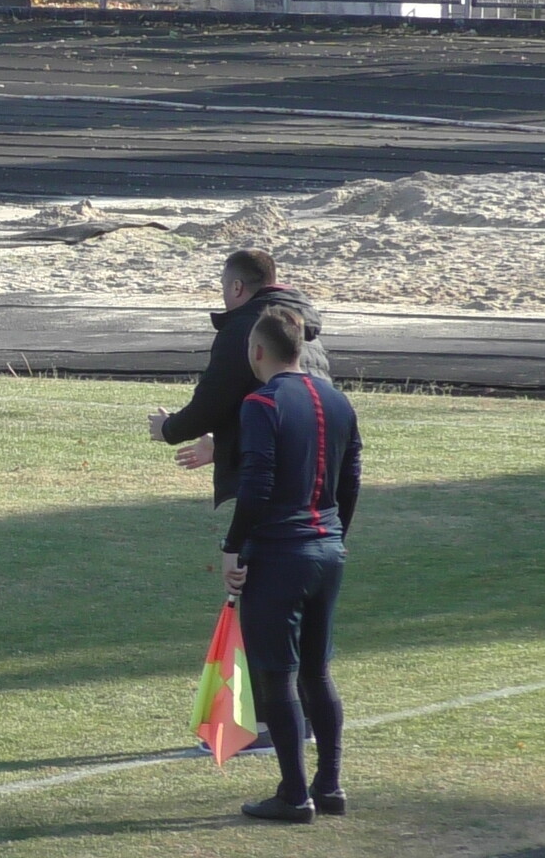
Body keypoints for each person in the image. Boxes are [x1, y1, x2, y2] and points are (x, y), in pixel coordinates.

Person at [223, 305, 360, 823]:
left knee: (276, 675)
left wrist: (233, 545)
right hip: (328, 550)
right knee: (317, 672)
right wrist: (335, 533)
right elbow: (351, 479)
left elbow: (256, 483)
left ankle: (294, 793)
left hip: (282, 554)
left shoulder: (261, 403)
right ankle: (329, 784)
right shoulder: (337, 400)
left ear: (258, 351)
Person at [148, 248, 328, 501]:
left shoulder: (245, 327)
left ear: (236, 287)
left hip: (264, 477)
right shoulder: (307, 329)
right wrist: (223, 447)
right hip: (315, 474)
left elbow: (215, 400)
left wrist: (169, 429)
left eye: (223, 286)